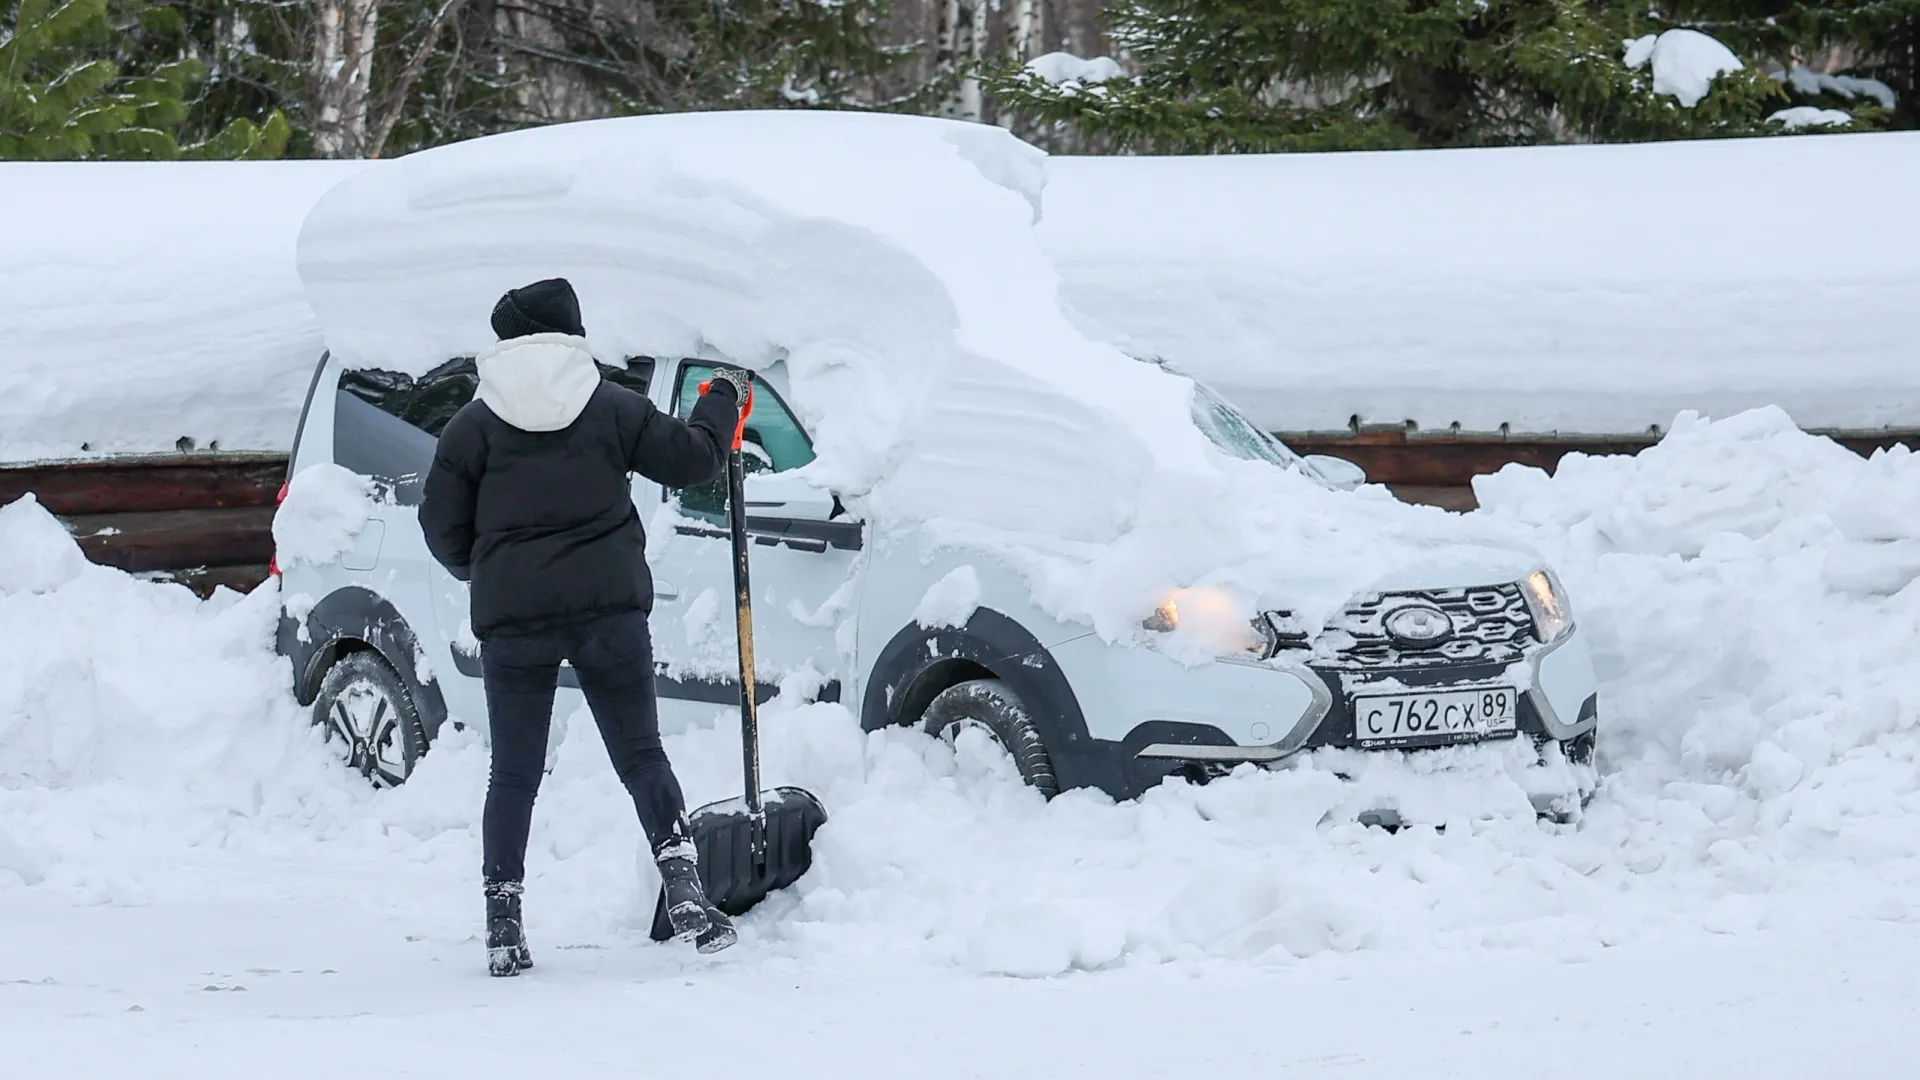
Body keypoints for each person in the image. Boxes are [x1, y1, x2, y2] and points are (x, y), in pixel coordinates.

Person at [419, 277, 748, 976]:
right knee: (640, 755)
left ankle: (503, 923)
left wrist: (484, 569)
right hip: (607, 611)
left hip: (515, 624)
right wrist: (721, 398)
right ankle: (685, 887)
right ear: (570, 337)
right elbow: (695, 459)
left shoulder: (473, 426)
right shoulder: (612, 408)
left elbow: (439, 524)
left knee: (513, 774)